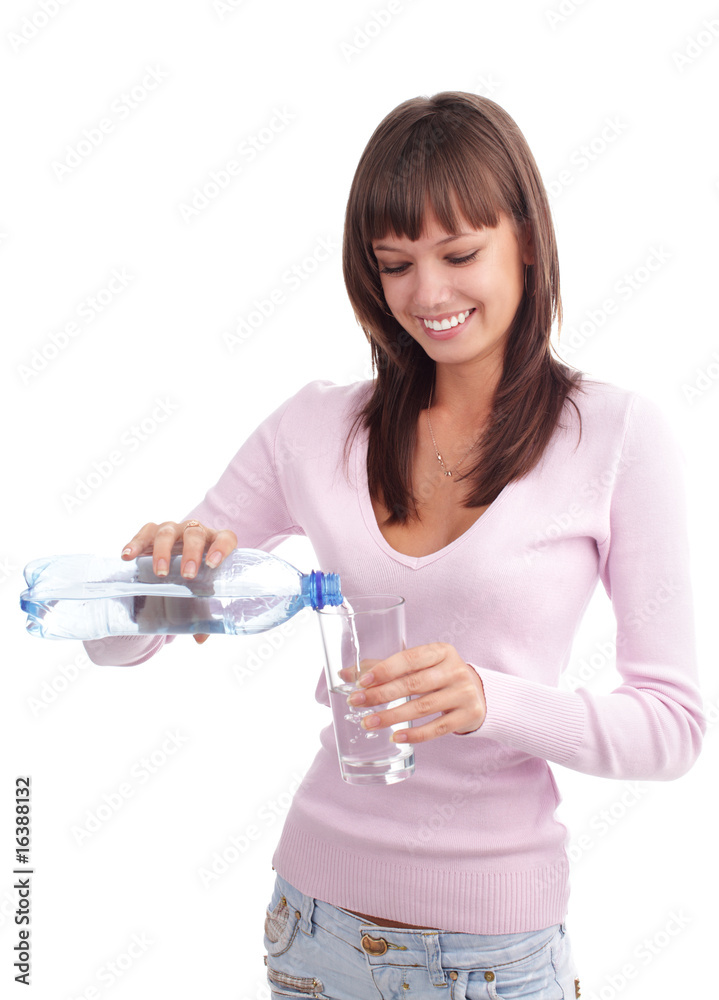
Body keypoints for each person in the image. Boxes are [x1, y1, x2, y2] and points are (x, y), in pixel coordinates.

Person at [84, 91, 705, 999]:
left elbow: (672, 730)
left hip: (497, 953)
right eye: (395, 264)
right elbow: (113, 646)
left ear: (526, 241)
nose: (427, 295)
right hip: (315, 930)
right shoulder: (314, 427)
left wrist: (489, 700)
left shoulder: (613, 436)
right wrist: (151, 579)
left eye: (459, 254)